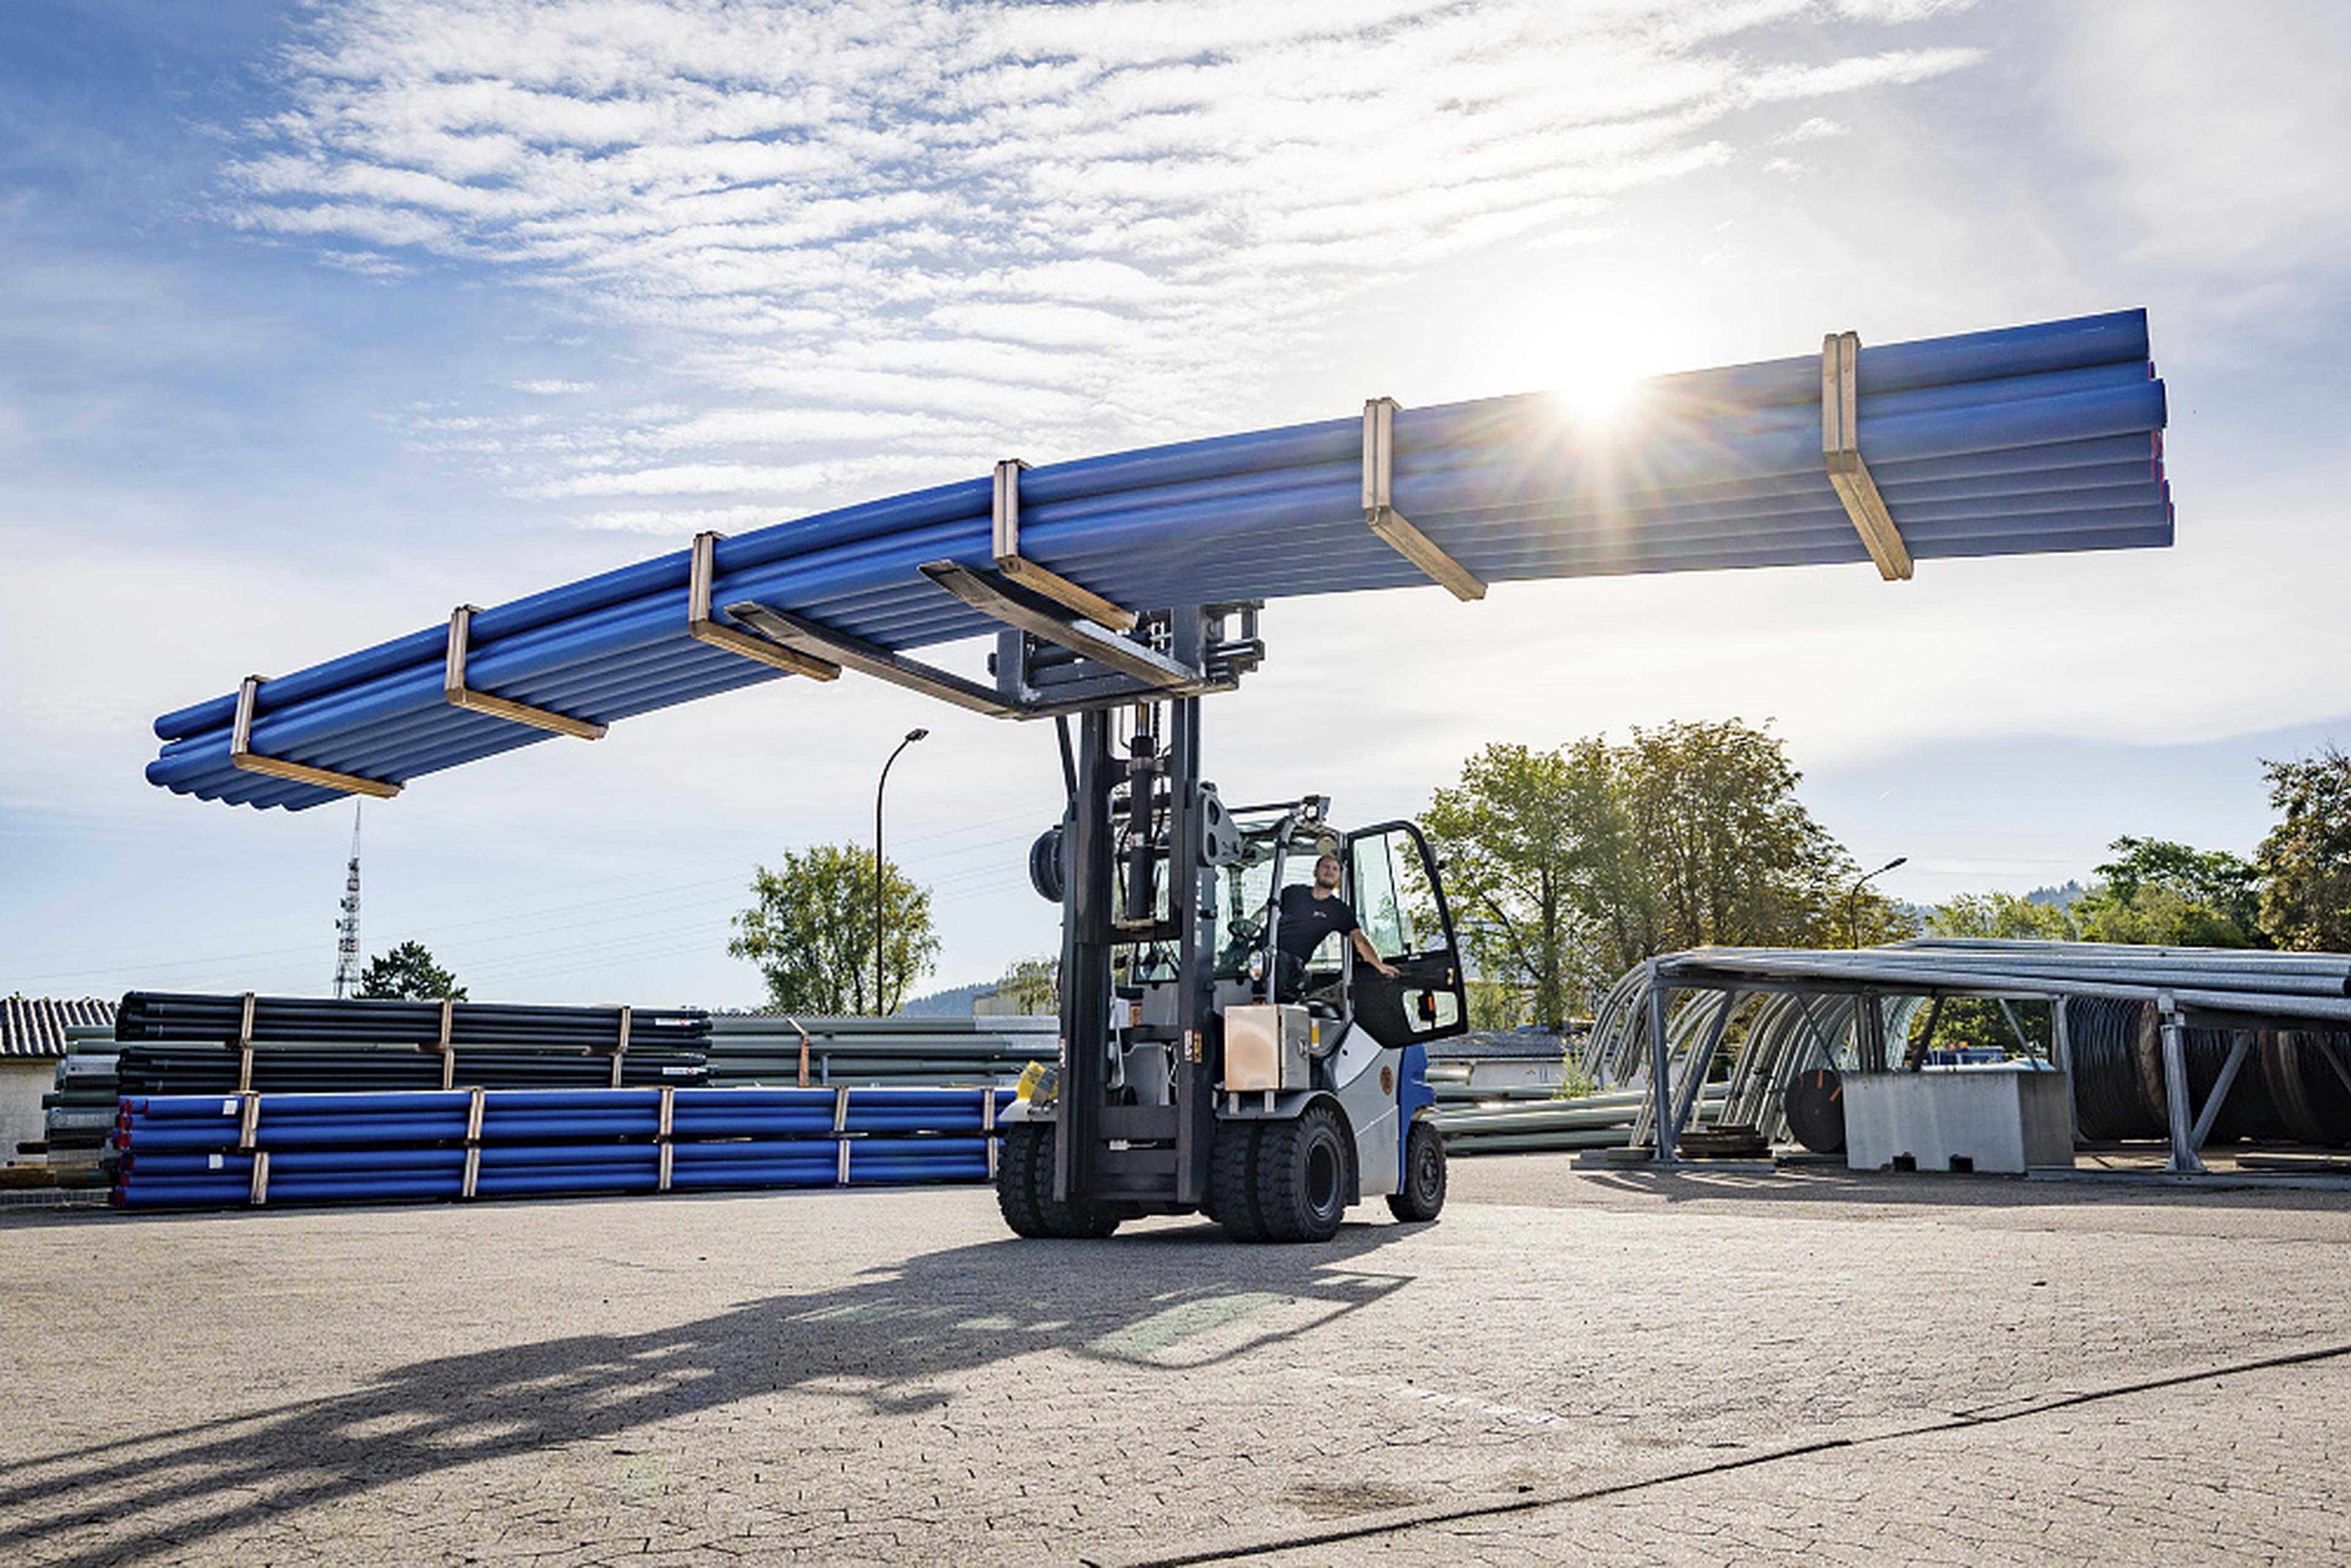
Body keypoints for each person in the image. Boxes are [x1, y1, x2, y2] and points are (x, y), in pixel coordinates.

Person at [1275, 853, 1399, 986]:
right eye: (1326, 867)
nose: (1330, 871)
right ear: (1315, 872)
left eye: (1335, 869)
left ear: (1339, 878)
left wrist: (1379, 965)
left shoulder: (1339, 911)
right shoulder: (1293, 893)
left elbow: (1360, 940)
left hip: (1291, 965)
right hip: (1266, 952)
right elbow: (1266, 912)